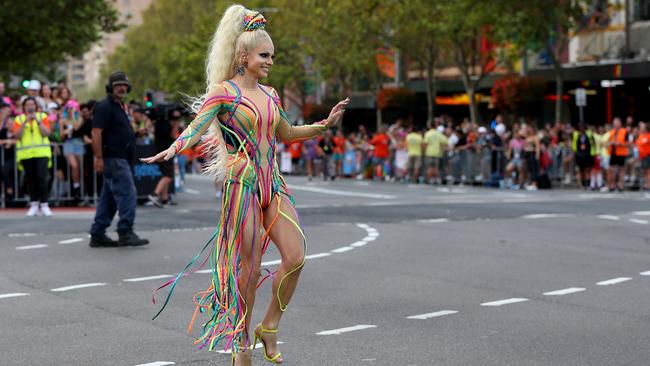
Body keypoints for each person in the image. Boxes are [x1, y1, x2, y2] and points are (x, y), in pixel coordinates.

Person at [141, 6, 348, 364]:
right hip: (243, 186)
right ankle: (240, 346)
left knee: (296, 257)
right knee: (249, 268)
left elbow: (286, 133)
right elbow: (195, 128)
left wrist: (323, 125)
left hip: (273, 184)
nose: (270, 61)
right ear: (244, 56)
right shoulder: (223, 92)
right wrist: (171, 150)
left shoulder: (271, 94)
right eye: (264, 55)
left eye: (272, 56)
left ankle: (268, 327)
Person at [89, 71, 149, 247]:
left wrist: (135, 133)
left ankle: (98, 233)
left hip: (118, 158)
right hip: (113, 159)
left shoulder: (119, 106)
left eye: (124, 84)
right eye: (117, 85)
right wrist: (98, 157)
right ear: (110, 88)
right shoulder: (105, 106)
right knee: (128, 194)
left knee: (108, 199)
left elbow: (116, 132)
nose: (121, 88)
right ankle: (125, 231)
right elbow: (96, 132)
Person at [13, 97, 52, 216]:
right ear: (24, 107)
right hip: (26, 154)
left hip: (41, 153)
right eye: (27, 105)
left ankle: (45, 205)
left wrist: (37, 121)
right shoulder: (19, 119)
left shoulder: (42, 117)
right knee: (30, 180)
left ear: (36, 106)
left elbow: (46, 133)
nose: (30, 107)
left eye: (32, 104)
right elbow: (17, 136)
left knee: (41, 178)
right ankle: (34, 204)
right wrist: (25, 122)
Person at [147, 108, 178, 207]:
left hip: (159, 151)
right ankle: (155, 194)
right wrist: (176, 124)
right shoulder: (167, 124)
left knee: (165, 174)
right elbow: (174, 135)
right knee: (168, 176)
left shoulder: (157, 124)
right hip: (164, 153)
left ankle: (164, 199)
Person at [607, 117, 629, 192]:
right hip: (613, 152)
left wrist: (619, 144)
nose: (615, 124)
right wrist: (610, 143)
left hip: (621, 153)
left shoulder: (624, 131)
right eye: (614, 123)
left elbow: (628, 143)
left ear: (620, 123)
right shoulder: (611, 132)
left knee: (621, 169)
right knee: (611, 169)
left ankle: (621, 185)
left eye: (617, 123)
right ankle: (612, 185)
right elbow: (608, 141)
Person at [572, 122, 596, 189]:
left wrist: (593, 153)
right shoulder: (576, 134)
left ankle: (588, 183)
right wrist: (574, 153)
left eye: (582, 127)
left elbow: (593, 143)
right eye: (580, 127)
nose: (581, 128)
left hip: (587, 154)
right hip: (579, 155)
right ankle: (582, 184)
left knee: (587, 169)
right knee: (580, 170)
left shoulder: (589, 134)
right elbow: (574, 145)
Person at [636, 121, 649, 192]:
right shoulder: (640, 136)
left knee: (648, 171)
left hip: (648, 156)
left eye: (642, 127)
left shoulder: (648, 135)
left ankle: (648, 184)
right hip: (642, 156)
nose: (641, 129)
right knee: (645, 171)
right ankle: (646, 184)